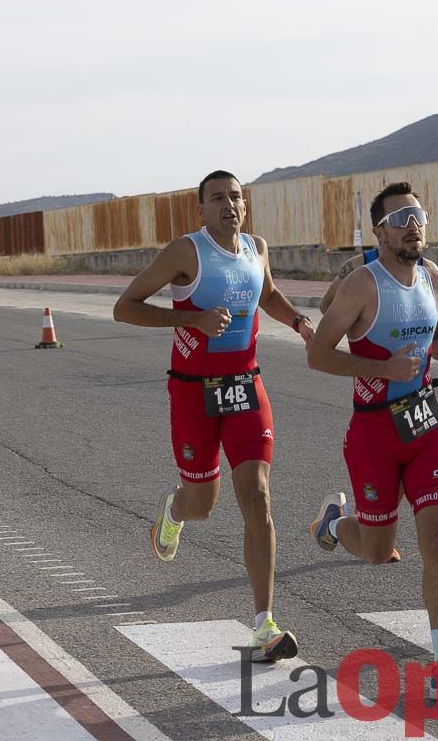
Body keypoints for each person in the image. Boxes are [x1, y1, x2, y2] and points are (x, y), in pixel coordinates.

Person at [113, 170, 314, 663]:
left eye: (237, 197)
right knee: (202, 503)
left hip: (246, 385)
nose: (230, 205)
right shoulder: (187, 251)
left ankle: (263, 624)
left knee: (258, 496)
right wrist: (191, 318)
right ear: (201, 210)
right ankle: (174, 511)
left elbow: (266, 293)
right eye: (218, 198)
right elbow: (125, 307)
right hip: (192, 393)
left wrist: (300, 321)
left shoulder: (256, 248)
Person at [306, 182, 438, 701]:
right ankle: (334, 523)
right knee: (379, 552)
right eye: (401, 218)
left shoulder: (432, 277)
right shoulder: (362, 286)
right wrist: (380, 366)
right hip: (373, 430)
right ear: (379, 231)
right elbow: (318, 355)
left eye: (418, 214)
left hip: (423, 425)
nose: (413, 224)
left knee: (437, 539)